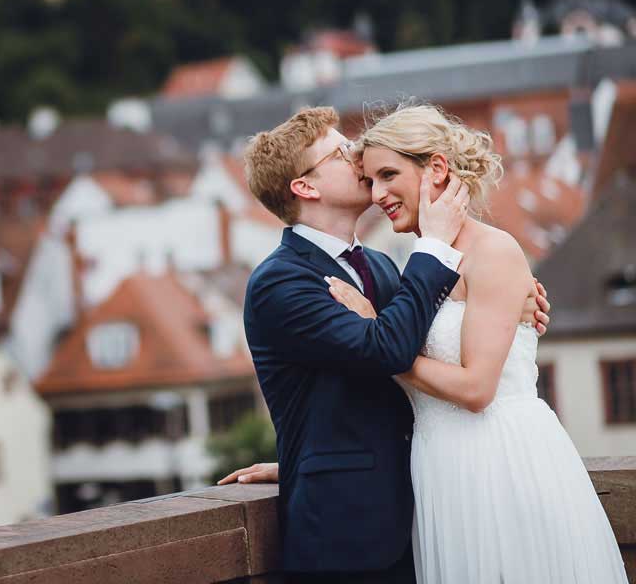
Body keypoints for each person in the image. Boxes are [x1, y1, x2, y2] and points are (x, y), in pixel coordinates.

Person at [218, 107, 550, 584]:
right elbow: (386, 351)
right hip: (346, 534)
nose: (356, 159)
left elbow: (422, 345)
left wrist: (508, 295)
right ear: (304, 187)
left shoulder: (378, 264)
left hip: (427, 504)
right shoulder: (281, 282)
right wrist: (434, 244)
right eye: (339, 153)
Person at [320, 103, 625, 583]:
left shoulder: (494, 251)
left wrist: (381, 343)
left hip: (499, 464)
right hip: (441, 470)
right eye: (370, 181)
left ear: (436, 168)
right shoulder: (419, 267)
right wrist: (296, 461)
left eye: (388, 175)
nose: (377, 194)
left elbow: (478, 388)